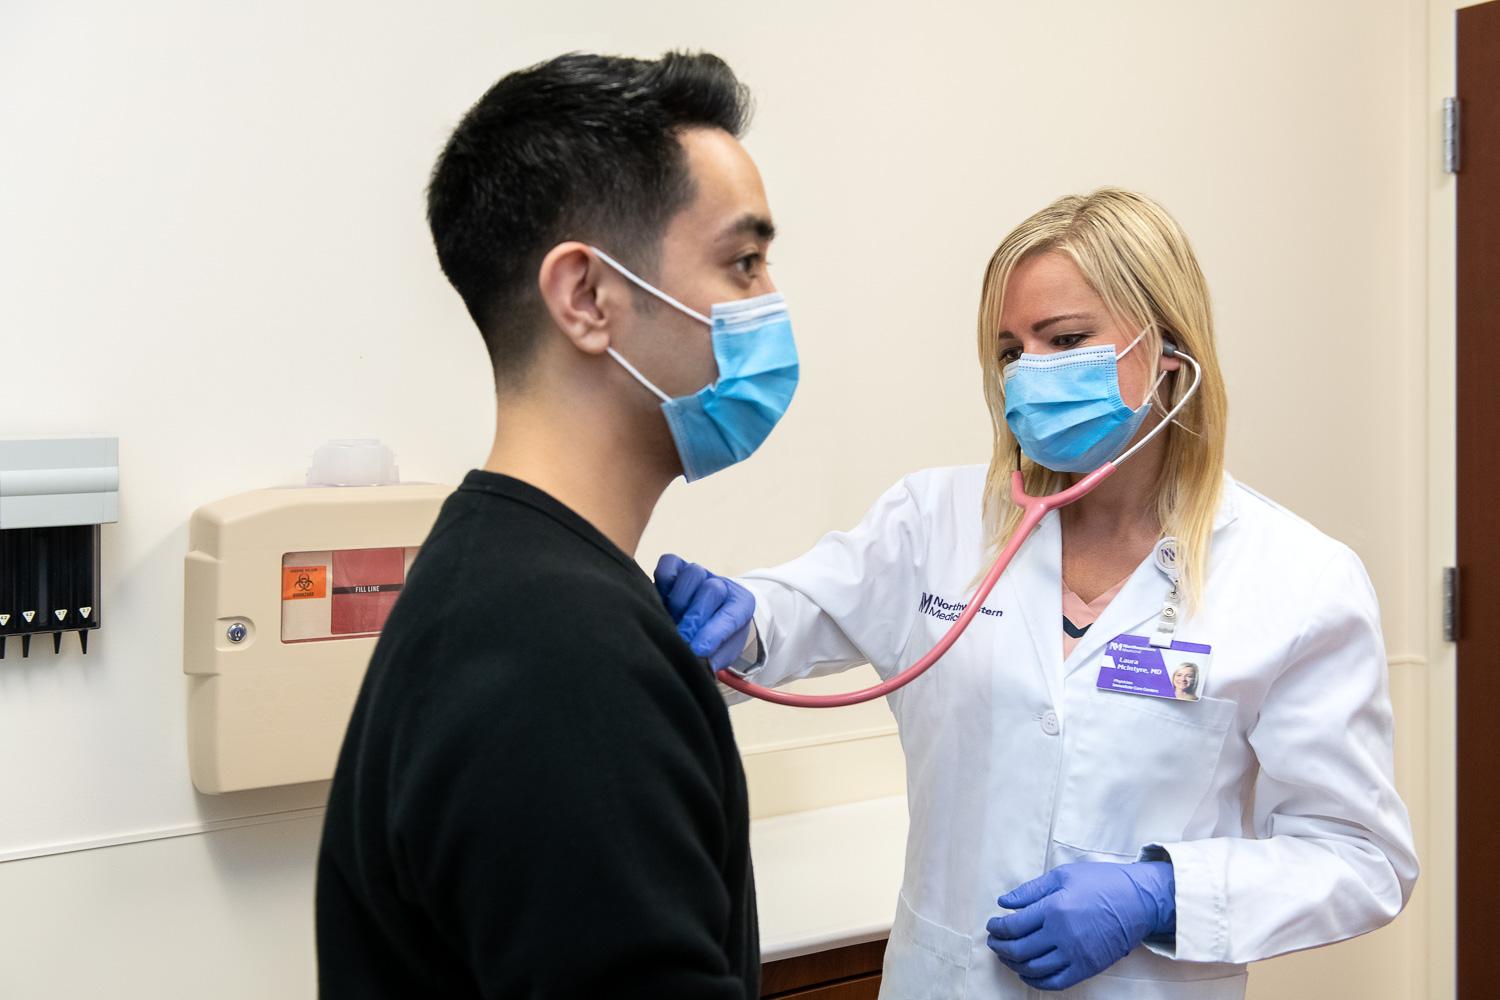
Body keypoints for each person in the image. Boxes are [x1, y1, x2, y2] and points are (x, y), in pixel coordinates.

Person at [657, 189, 1418, 998]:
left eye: (1066, 339)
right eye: (1011, 351)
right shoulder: (937, 522)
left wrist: (1162, 895)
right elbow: (793, 613)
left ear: (1170, 349)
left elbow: (1359, 858)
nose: (1030, 373)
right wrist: (736, 620)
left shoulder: (1296, 578)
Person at [317, 51, 791, 999]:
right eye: (743, 264)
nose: (770, 303)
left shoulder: (498, 581)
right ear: (585, 298)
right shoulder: (559, 657)